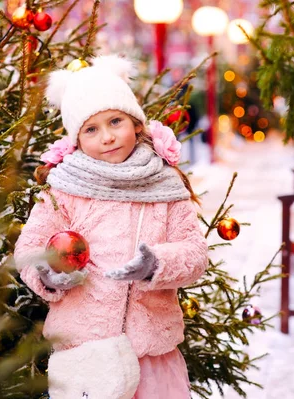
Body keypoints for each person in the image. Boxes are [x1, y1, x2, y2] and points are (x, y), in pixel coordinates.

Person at [14, 55, 208, 399]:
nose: (106, 137)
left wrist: (156, 264)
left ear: (135, 122)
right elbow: (31, 247)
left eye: (115, 121)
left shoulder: (164, 184)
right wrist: (47, 273)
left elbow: (195, 253)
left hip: (152, 356)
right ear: (77, 138)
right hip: (87, 354)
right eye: (91, 129)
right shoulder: (64, 188)